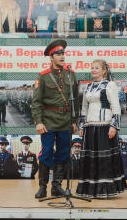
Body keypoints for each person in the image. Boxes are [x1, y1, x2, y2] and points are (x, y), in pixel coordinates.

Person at [31, 39, 79, 198]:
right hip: (48, 120)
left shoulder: (71, 74)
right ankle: (42, 187)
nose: (61, 56)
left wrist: (74, 120)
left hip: (65, 120)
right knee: (46, 153)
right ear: (51, 58)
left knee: (63, 153)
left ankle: (56, 186)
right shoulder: (43, 76)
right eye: (58, 54)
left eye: (63, 53)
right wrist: (38, 122)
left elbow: (75, 100)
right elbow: (36, 101)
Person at [76, 59, 127, 198]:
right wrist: (81, 126)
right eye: (92, 68)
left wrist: (114, 126)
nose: (93, 70)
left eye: (96, 68)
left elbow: (116, 106)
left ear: (104, 70)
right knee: (91, 158)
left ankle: (105, 189)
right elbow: (84, 108)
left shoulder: (109, 85)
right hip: (90, 126)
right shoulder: (88, 87)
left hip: (104, 125)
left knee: (103, 158)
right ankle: (91, 189)